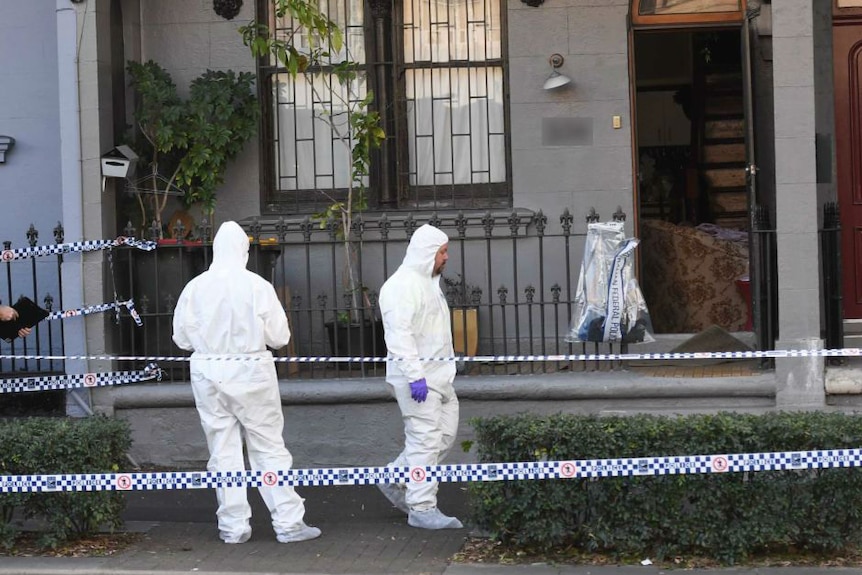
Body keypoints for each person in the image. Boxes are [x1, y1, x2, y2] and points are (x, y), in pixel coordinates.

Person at [172, 221, 320, 545]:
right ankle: (289, 523)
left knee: (222, 451)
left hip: (208, 372)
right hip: (251, 370)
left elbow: (181, 338)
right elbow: (279, 337)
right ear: (244, 250)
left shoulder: (194, 288)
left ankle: (233, 527)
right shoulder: (257, 286)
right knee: (267, 447)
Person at [377, 223, 463, 530]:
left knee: (443, 436)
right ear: (428, 253)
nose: (447, 257)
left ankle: (395, 479)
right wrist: (415, 376)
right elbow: (399, 336)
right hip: (419, 380)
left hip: (439, 378)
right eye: (442, 252)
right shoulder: (401, 287)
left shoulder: (427, 282)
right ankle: (422, 506)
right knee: (425, 441)